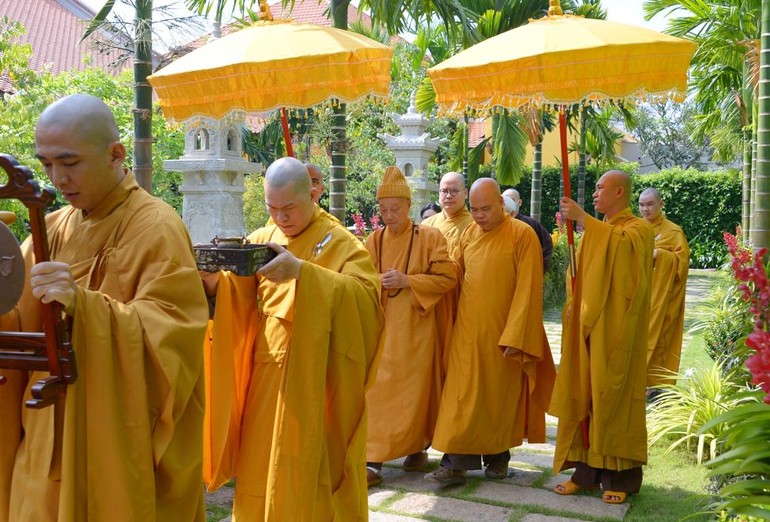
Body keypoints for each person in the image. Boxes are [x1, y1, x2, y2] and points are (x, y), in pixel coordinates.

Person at [0, 94, 209, 521]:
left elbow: (173, 338)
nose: (58, 178)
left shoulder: (156, 226)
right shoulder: (51, 228)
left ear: (115, 154)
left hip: (112, 444)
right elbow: (14, 316)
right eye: (45, 165)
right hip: (44, 431)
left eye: (70, 162)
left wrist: (86, 308)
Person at [200, 156, 383, 520]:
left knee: (308, 468)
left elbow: (366, 299)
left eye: (289, 208)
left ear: (312, 194)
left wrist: (303, 273)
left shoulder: (340, 241)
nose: (281, 217)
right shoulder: (262, 237)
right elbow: (236, 297)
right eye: (272, 208)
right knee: (261, 462)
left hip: (316, 377)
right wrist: (211, 284)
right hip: (264, 375)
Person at [426, 178, 556, 486]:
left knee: (498, 399)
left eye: (486, 208)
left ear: (501, 204)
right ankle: (455, 463)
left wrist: (517, 334)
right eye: (475, 209)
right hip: (467, 331)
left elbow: (529, 286)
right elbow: (455, 273)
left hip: (504, 333)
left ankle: (498, 457)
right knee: (461, 396)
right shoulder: (471, 231)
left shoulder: (522, 235)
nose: (480, 215)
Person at [550, 170, 653, 505]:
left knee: (614, 397)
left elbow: (621, 252)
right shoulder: (602, 230)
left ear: (619, 191)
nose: (594, 194)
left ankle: (619, 475)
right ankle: (585, 471)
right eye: (594, 189)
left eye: (600, 188)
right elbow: (584, 276)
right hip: (590, 326)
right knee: (585, 392)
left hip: (618, 330)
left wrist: (582, 219)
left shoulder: (638, 230)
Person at [364, 167, 458, 487]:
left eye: (395, 209)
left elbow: (448, 277)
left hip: (417, 327)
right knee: (376, 389)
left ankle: (416, 447)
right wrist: (378, 281)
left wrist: (408, 280)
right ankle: (372, 459)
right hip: (381, 326)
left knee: (415, 393)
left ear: (408, 206)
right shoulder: (373, 240)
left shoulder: (430, 237)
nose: (389, 216)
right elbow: (359, 279)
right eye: (384, 210)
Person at [638, 187, 690, 397]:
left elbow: (682, 264)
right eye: (641, 205)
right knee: (637, 339)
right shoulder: (636, 228)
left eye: (650, 204)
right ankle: (637, 383)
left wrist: (660, 254)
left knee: (660, 339)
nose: (645, 209)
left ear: (661, 204)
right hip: (638, 295)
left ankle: (657, 386)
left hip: (663, 297)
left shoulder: (673, 231)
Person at [422, 171, 474, 260]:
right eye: (444, 191)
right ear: (439, 193)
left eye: (454, 191)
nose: (449, 196)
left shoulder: (474, 225)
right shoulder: (426, 224)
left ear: (465, 193)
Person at [502, 188, 553, 272]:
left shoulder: (530, 224)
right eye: (505, 200)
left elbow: (547, 244)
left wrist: (538, 267)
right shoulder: (495, 224)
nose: (508, 202)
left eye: (512, 199)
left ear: (519, 202)